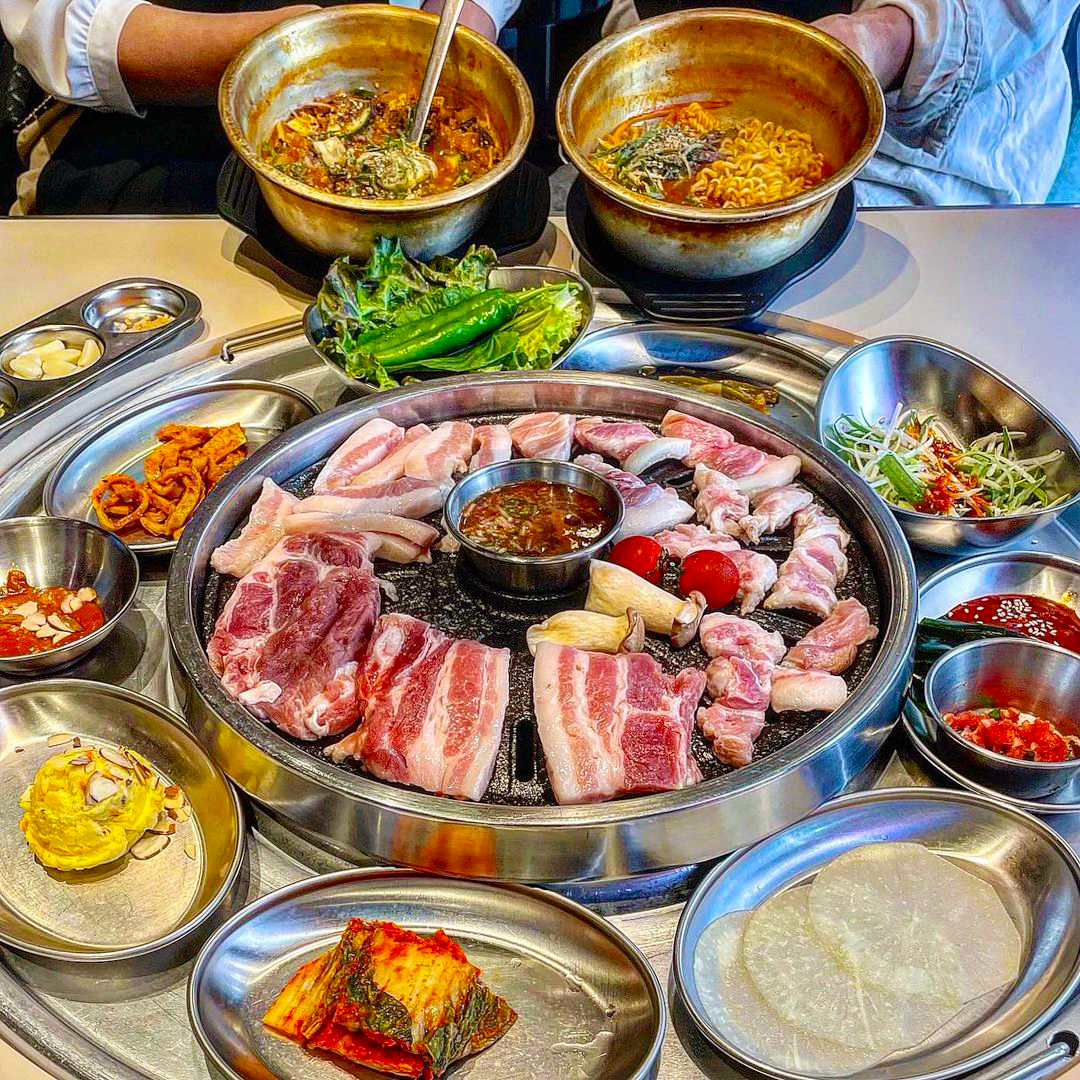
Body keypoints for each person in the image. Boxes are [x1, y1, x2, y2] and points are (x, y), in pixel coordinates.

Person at [3, 0, 1075, 212]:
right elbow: (52, 24)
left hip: (931, 164)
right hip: (151, 135)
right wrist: (311, 41)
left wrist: (889, 37)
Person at [1, 0, 510, 214]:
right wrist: (298, 43)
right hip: (135, 143)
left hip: (405, 88)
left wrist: (460, 22)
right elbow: (60, 28)